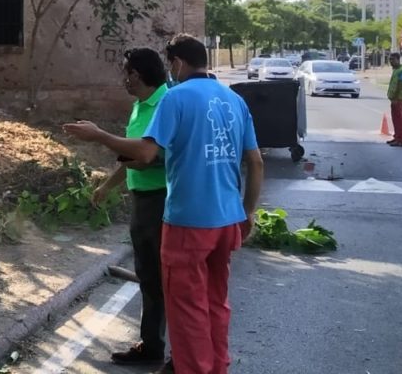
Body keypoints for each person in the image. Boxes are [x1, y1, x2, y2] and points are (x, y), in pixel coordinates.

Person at [63, 34, 265, 374]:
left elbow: (144, 153)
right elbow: (256, 162)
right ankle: (216, 366)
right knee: (216, 302)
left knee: (187, 307)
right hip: (227, 219)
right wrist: (248, 212)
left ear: (178, 63)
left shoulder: (176, 98)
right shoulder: (233, 99)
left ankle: (192, 369)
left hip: (188, 222)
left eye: (171, 64)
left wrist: (97, 134)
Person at [90, 48, 170, 366]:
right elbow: (133, 156)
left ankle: (183, 353)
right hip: (142, 202)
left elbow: (153, 155)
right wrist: (107, 186)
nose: (123, 78)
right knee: (149, 277)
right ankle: (151, 347)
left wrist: (98, 136)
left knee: (170, 281)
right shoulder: (140, 107)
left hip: (165, 201)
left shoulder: (168, 103)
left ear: (136, 74)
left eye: (125, 71)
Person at [386, 52, 402, 147]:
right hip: (395, 98)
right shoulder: (396, 70)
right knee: (395, 118)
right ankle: (397, 137)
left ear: (398, 59)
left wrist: (395, 97)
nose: (391, 61)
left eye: (393, 59)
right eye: (390, 60)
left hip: (399, 98)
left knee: (399, 119)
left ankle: (401, 139)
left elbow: (401, 84)